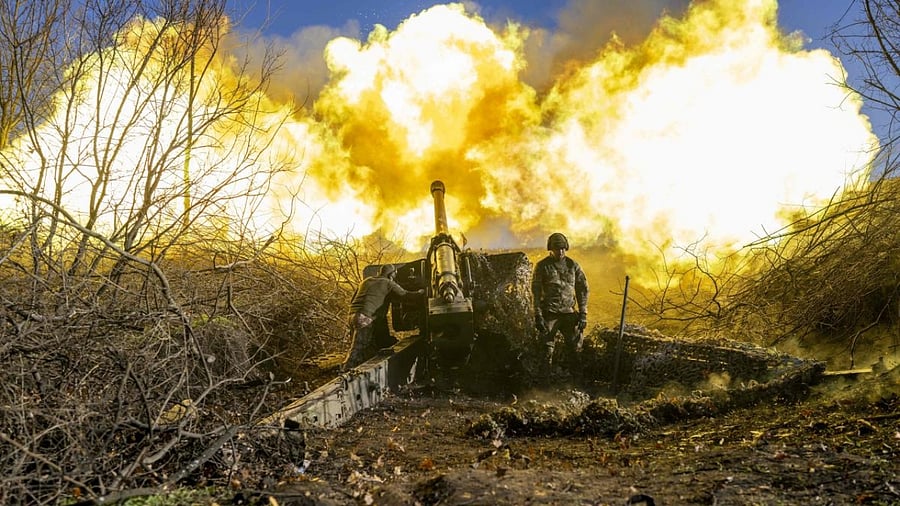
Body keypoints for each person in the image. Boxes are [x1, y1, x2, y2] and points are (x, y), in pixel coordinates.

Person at [342, 264, 424, 370]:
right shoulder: (388, 283)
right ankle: (345, 371)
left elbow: (354, 299)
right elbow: (406, 295)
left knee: (368, 347)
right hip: (365, 318)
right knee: (358, 348)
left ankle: (354, 369)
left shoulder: (366, 281)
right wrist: (420, 293)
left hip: (352, 316)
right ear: (391, 275)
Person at [531, 232, 589, 372]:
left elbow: (582, 289)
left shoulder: (573, 265)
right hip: (550, 314)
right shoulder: (543, 266)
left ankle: (575, 382)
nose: (560, 251)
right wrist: (538, 315)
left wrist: (583, 313)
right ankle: (544, 386)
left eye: (563, 248)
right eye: (557, 249)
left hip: (569, 313)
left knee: (576, 348)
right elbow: (536, 292)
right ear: (551, 249)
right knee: (546, 350)